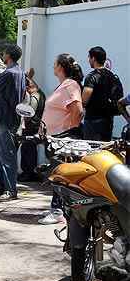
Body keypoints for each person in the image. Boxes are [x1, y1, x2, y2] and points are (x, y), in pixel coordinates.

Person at [40, 54, 84, 224]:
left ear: (60, 67)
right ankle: (58, 209)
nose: (52, 66)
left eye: (54, 64)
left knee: (60, 175)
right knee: (56, 174)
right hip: (55, 138)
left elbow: (78, 111)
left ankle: (58, 211)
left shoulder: (70, 85)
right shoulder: (64, 85)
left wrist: (69, 134)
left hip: (62, 139)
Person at [0, 45, 26, 202]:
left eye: (3, 53)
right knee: (3, 153)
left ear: (8, 56)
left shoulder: (9, 73)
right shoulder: (20, 72)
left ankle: (10, 190)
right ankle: (0, 186)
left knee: (6, 155)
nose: (2, 55)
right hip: (12, 117)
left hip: (5, 118)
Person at [82, 46, 121, 141]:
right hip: (108, 121)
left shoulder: (92, 76)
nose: (89, 60)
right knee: (104, 151)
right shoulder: (113, 76)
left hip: (93, 121)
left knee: (91, 151)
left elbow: (84, 99)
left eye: (89, 58)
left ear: (93, 58)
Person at [18, 78, 46, 182]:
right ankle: (29, 172)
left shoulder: (34, 96)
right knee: (29, 149)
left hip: (31, 127)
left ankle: (28, 173)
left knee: (27, 149)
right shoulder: (41, 94)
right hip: (35, 126)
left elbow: (29, 113)